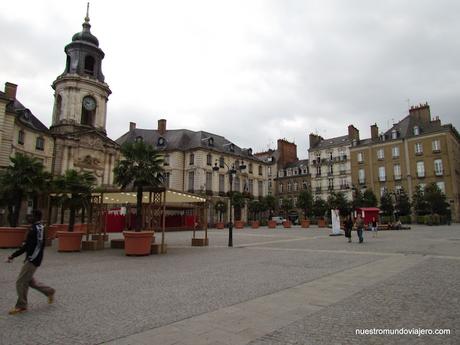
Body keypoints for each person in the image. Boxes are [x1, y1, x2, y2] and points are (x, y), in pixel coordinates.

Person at [6, 209, 55, 315]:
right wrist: (14, 255)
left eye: (31, 216)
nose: (29, 217)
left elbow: (37, 246)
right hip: (32, 258)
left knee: (20, 281)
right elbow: (28, 245)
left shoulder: (37, 229)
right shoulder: (36, 228)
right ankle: (49, 291)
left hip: (33, 259)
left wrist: (31, 258)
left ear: (37, 217)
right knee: (29, 281)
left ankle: (21, 306)